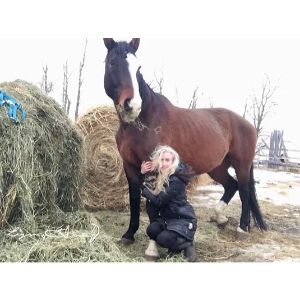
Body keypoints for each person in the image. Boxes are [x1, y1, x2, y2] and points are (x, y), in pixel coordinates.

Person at [141, 145, 197, 262]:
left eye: (167, 160)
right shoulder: (162, 174)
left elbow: (158, 201)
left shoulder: (175, 180)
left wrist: (143, 189)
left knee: (162, 240)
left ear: (173, 162)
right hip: (169, 218)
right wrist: (143, 173)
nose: (164, 163)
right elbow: (150, 187)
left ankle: (188, 243)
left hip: (182, 218)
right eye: (162, 160)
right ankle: (174, 244)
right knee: (151, 230)